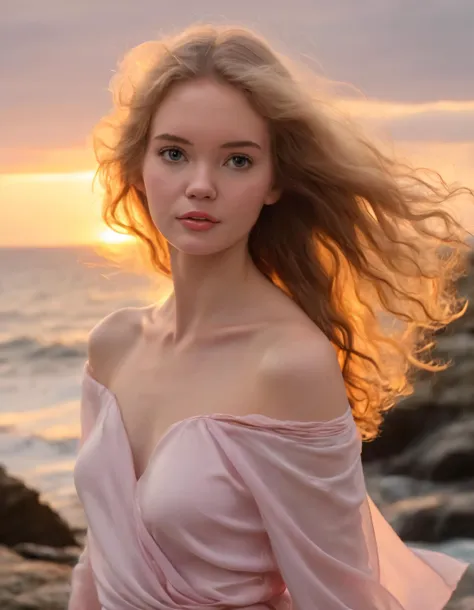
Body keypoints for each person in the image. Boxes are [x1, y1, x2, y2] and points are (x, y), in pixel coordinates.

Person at [68, 23, 473, 610]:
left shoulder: (289, 366)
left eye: (237, 160)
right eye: (175, 153)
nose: (200, 186)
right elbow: (95, 566)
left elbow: (340, 600)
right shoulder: (113, 345)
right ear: (139, 163)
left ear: (274, 181)